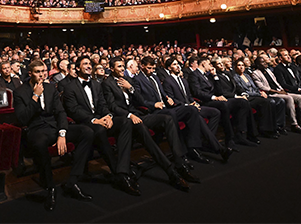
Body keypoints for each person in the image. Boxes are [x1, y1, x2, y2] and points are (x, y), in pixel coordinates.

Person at [102, 57, 197, 192]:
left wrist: (131, 89)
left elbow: (140, 100)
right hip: (124, 119)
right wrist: (129, 115)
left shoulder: (129, 80)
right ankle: (171, 172)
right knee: (143, 129)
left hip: (138, 115)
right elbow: (112, 106)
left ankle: (179, 161)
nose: (122, 69)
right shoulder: (107, 83)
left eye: (123, 66)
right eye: (118, 67)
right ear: (111, 69)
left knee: (167, 119)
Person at [14, 60, 94, 211]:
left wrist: (62, 133)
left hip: (55, 127)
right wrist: (35, 97)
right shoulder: (20, 91)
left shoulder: (51, 88)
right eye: (38, 71)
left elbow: (60, 112)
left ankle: (72, 181)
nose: (42, 74)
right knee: (39, 143)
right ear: (30, 73)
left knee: (87, 132)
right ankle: (50, 187)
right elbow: (22, 119)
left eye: (43, 71)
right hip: (37, 129)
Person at [62, 56, 139, 196]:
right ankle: (119, 173)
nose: (89, 66)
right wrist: (93, 120)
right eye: (85, 64)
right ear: (78, 68)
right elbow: (74, 110)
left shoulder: (97, 84)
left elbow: (103, 105)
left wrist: (108, 116)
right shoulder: (69, 87)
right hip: (85, 124)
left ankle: (122, 168)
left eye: (90, 64)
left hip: (101, 119)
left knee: (125, 121)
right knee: (99, 130)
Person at [136, 56, 231, 164]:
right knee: (179, 112)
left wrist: (168, 98)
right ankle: (187, 151)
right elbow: (139, 100)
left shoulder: (155, 77)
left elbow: (163, 93)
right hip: (156, 111)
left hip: (167, 107)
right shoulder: (137, 79)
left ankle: (195, 147)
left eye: (153, 68)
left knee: (193, 111)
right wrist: (154, 104)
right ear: (142, 66)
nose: (152, 71)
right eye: (149, 68)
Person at [187, 55, 249, 146]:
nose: (211, 66)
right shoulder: (194, 75)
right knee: (224, 105)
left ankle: (241, 134)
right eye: (209, 64)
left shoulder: (208, 75)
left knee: (242, 102)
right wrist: (214, 97)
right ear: (203, 64)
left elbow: (219, 91)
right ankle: (229, 138)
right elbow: (197, 92)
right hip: (205, 101)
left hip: (215, 99)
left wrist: (215, 76)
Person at [251, 55, 301, 133]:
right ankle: (294, 124)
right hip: (271, 93)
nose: (265, 63)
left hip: (279, 90)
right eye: (263, 62)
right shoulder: (255, 73)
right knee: (289, 98)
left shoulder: (268, 70)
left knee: (300, 97)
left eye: (265, 61)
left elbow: (276, 82)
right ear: (258, 64)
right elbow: (262, 87)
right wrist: (278, 92)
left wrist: (281, 89)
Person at [232, 59, 285, 137]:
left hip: (256, 95)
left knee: (278, 101)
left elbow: (255, 87)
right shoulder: (235, 77)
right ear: (235, 67)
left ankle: (276, 127)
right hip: (248, 97)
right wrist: (258, 94)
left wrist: (260, 92)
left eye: (242, 65)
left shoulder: (247, 75)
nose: (241, 67)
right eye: (239, 65)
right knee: (267, 102)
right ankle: (265, 129)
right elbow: (242, 90)